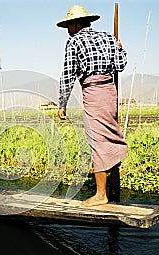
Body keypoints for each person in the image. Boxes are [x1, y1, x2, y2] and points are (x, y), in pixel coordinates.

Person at [56, 5, 128, 206]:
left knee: (97, 139)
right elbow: (120, 65)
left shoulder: (74, 41)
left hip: (94, 92)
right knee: (106, 136)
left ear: (76, 24)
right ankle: (110, 181)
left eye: (69, 25)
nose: (68, 30)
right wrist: (120, 48)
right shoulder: (107, 38)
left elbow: (68, 75)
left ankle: (101, 195)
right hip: (109, 92)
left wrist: (62, 104)